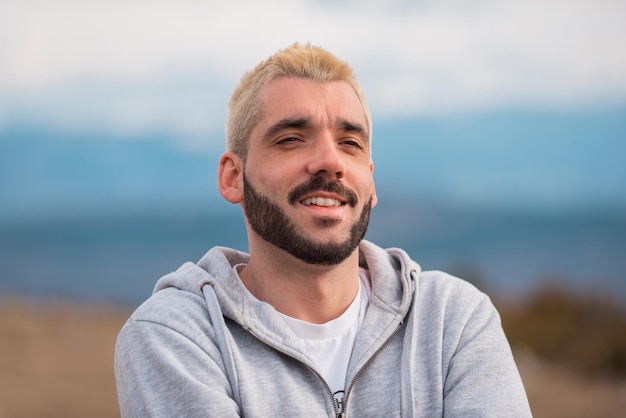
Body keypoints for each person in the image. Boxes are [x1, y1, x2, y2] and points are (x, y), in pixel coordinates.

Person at [114, 43, 532, 417]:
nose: (330, 161)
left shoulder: (451, 322)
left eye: (350, 143)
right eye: (292, 139)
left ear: (370, 183)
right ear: (233, 177)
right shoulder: (177, 336)